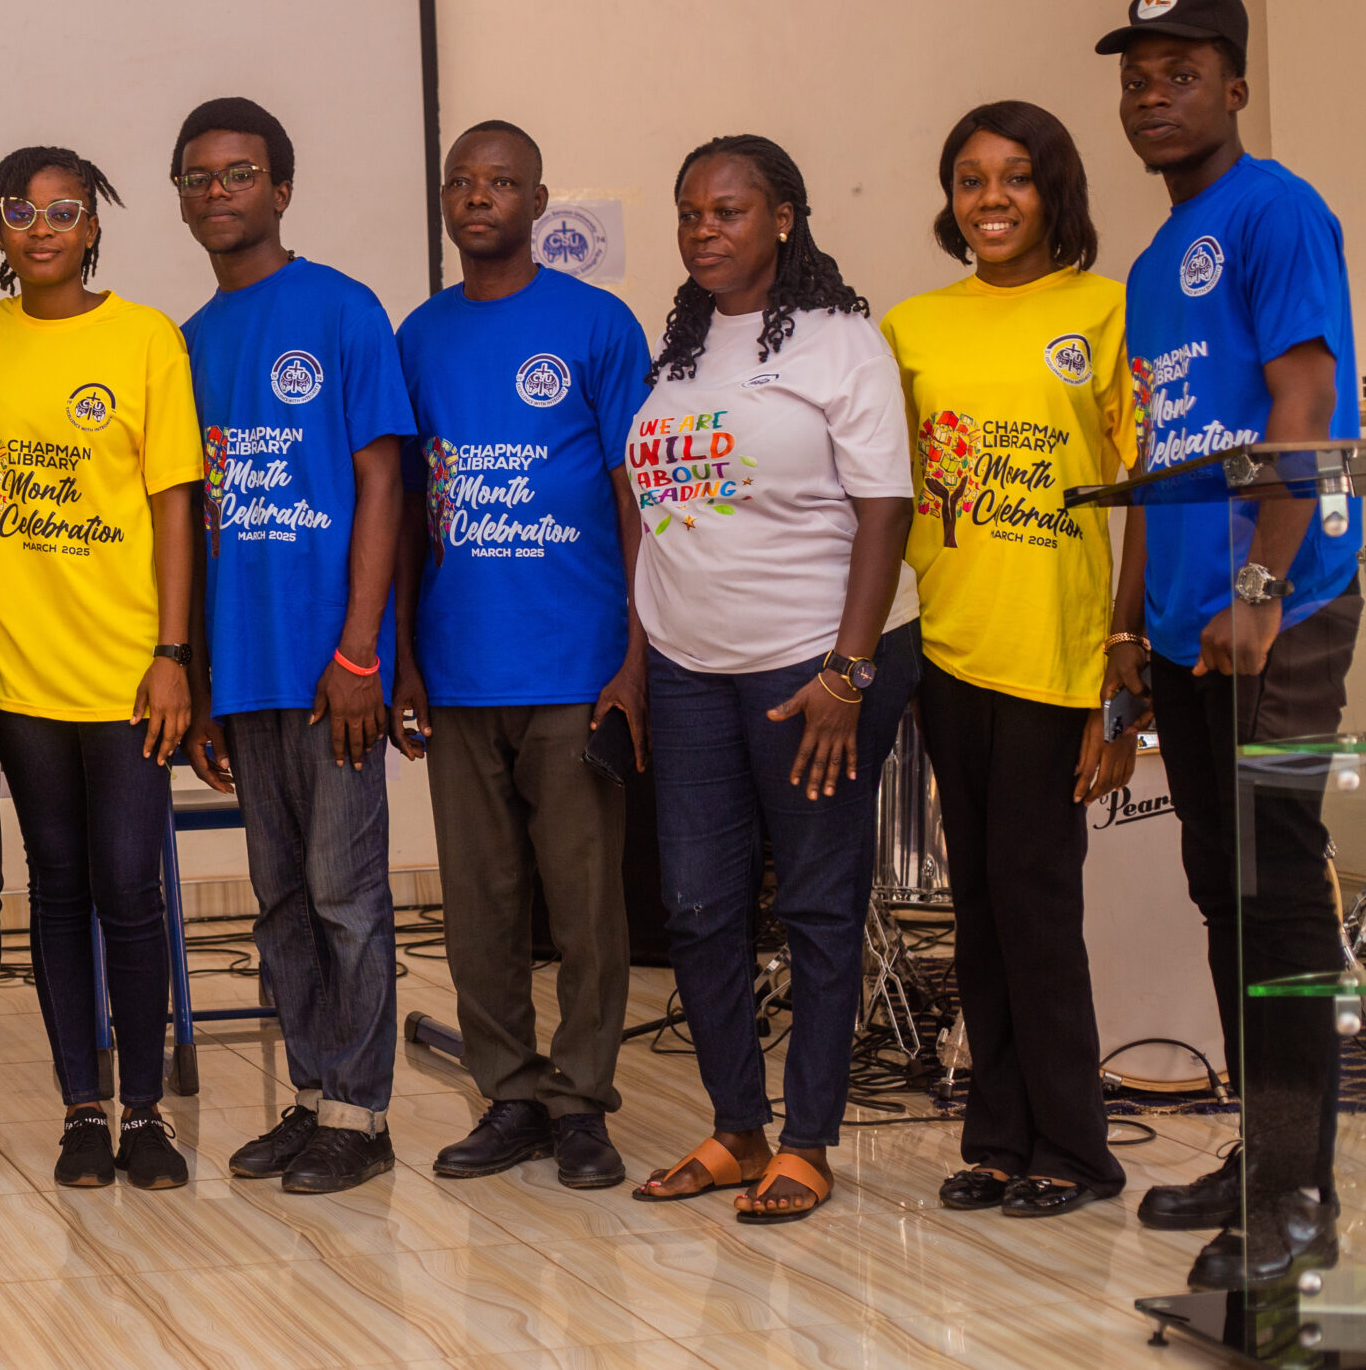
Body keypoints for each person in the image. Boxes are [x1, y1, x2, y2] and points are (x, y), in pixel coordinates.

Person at [1096, 0, 1361, 1288]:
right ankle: (1264, 1157)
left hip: (1281, 607)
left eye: (1182, 73)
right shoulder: (1152, 264)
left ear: (1235, 87)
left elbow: (1305, 398)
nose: (1154, 95)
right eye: (1137, 77)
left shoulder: (1276, 209)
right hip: (1192, 624)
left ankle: (1299, 1201)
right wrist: (1133, 637)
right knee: (1221, 889)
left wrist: (1262, 582)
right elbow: (1160, 454)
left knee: (1277, 893)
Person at [625, 134, 919, 1225]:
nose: (703, 229)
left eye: (729, 210)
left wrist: (848, 669)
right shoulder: (682, 347)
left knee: (815, 902)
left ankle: (807, 1141)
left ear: (784, 218)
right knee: (697, 906)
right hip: (688, 667)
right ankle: (737, 1129)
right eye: (689, 211)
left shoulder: (842, 341)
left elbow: (886, 508)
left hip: (811, 668)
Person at [882, 102, 1135, 1219]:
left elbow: (1144, 499)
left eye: (1016, 177)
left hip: (1058, 657)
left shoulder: (1105, 310)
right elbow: (888, 497)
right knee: (974, 909)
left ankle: (1074, 1149)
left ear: (1054, 191)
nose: (991, 199)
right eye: (970, 179)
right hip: (950, 650)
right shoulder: (910, 327)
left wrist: (1121, 665)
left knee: (1037, 906)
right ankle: (995, 1137)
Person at [390, 120, 650, 1191]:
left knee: (585, 906)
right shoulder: (419, 334)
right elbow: (405, 505)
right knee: (478, 903)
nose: (477, 196)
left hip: (578, 668)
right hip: (457, 669)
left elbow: (638, 495)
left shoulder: (596, 323)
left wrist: (636, 652)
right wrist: (403, 657)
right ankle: (509, 1093)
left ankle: (581, 1102)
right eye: (461, 181)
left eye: (500, 182)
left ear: (538, 201)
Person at [173, 97, 411, 1196]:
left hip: (332, 671)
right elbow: (196, 523)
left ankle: (362, 1114)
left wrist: (360, 652)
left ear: (280, 188)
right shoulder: (188, 342)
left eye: (238, 173)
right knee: (276, 901)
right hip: (245, 668)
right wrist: (203, 682)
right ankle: (315, 1095)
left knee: (345, 894)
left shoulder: (341, 309)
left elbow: (382, 483)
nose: (217, 192)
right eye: (198, 177)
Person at [0, 144, 201, 1191]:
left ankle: (144, 1110)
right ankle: (81, 1111)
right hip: (17, 669)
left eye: (64, 210)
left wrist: (172, 654)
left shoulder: (144, 338)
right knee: (55, 888)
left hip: (125, 672)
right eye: (20, 211)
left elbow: (174, 506)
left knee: (129, 887)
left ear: (93, 226)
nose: (43, 228)